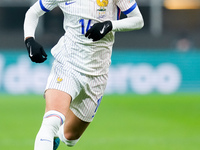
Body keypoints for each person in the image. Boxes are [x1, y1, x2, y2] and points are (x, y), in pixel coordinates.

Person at [23, 0, 144, 149]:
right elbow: (33, 12)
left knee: (70, 138)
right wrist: (29, 39)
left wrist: (110, 25)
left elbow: (138, 20)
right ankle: (50, 134)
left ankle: (56, 136)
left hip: (97, 73)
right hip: (68, 65)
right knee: (51, 122)